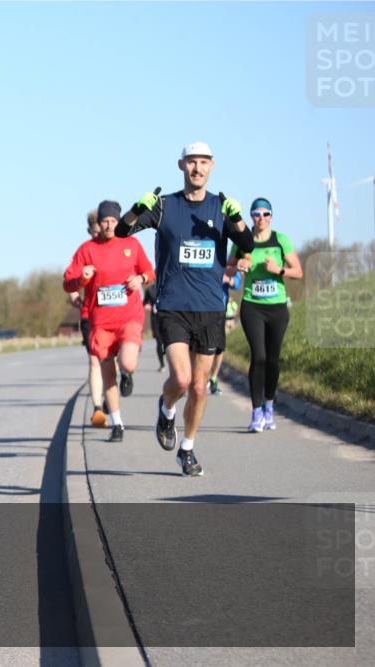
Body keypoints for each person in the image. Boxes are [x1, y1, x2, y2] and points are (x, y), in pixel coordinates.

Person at [116, 142, 254, 476]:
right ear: (181, 165)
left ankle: (187, 448)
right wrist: (137, 207)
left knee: (199, 385)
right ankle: (166, 410)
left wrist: (236, 219)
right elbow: (122, 230)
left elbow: (248, 244)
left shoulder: (221, 208)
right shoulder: (165, 207)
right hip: (173, 306)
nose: (197, 168)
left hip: (210, 308)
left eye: (203, 162)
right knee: (181, 377)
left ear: (212, 166)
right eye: (192, 162)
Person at [65, 200, 154, 442]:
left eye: (114, 220)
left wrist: (141, 278)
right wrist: (81, 280)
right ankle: (117, 423)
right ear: (99, 223)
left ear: (120, 220)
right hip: (100, 323)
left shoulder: (131, 244)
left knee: (127, 363)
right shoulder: (87, 249)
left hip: (129, 318)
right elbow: (68, 282)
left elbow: (149, 270)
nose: (109, 225)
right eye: (104, 221)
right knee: (107, 375)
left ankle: (128, 373)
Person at [227, 197, 302, 431]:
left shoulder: (281, 240)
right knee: (258, 356)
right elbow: (227, 267)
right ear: (251, 216)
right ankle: (256, 412)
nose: (261, 218)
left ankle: (269, 405)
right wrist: (238, 266)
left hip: (277, 308)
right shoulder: (242, 242)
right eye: (256, 214)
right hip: (252, 306)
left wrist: (278, 269)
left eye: (265, 214)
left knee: (272, 360)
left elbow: (298, 272)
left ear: (271, 216)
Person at [69, 211, 109, 427]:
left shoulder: (116, 248)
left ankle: (113, 390)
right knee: (95, 361)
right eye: (93, 230)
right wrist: (75, 295)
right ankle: (98, 410)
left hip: (114, 316)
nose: (97, 233)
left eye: (100, 228)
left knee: (111, 363)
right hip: (90, 315)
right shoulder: (85, 251)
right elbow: (71, 280)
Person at [208, 271, 242, 395]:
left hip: (219, 309)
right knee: (198, 348)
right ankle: (195, 379)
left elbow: (237, 284)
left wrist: (227, 279)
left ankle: (213, 378)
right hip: (199, 308)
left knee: (218, 348)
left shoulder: (228, 262)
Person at [143, 280, 165, 371]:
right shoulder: (150, 289)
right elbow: (145, 302)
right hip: (155, 318)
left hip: (168, 318)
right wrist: (147, 305)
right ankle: (162, 364)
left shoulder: (167, 286)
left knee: (169, 341)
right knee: (159, 342)